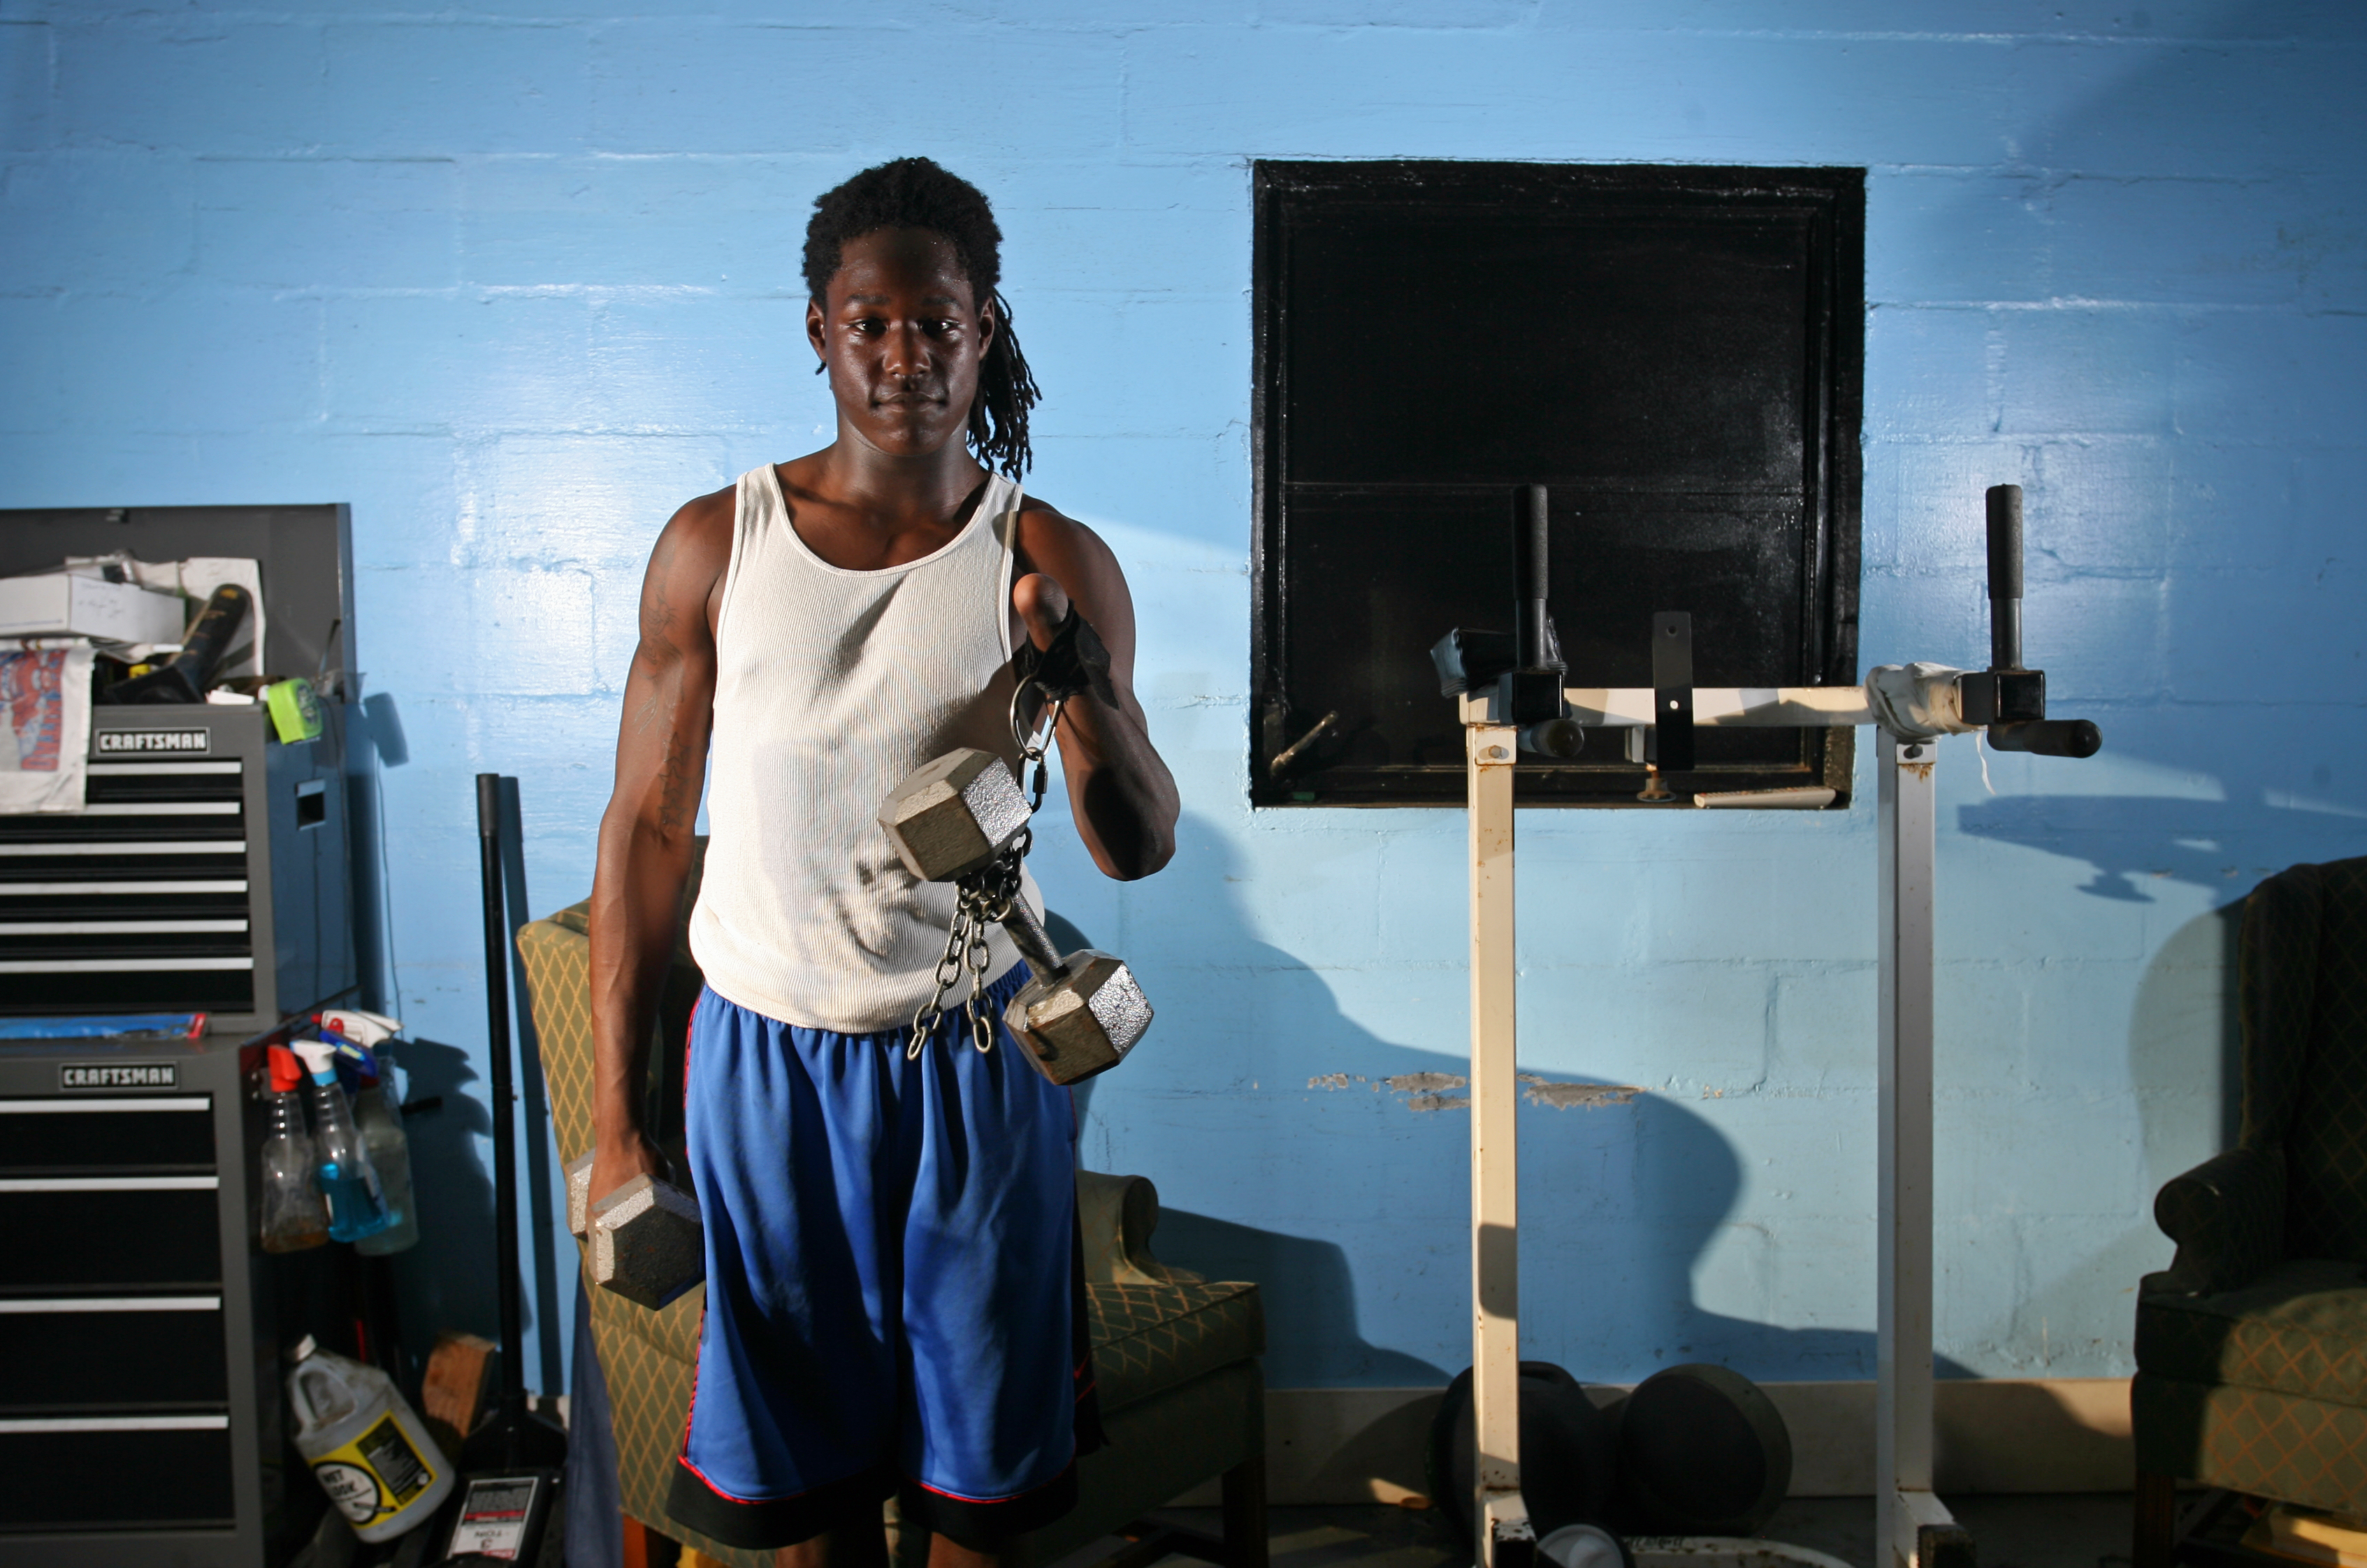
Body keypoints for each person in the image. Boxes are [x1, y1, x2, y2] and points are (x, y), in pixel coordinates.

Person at [586, 157, 1180, 1568]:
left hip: (974, 1061)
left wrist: (1076, 680)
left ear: (986, 330)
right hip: (763, 1060)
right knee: (810, 1491)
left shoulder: (1044, 554)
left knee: (982, 1486)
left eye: (938, 321)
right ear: (818, 329)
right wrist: (619, 1112)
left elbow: (1137, 843)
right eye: (872, 321)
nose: (906, 353)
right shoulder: (711, 545)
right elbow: (647, 832)